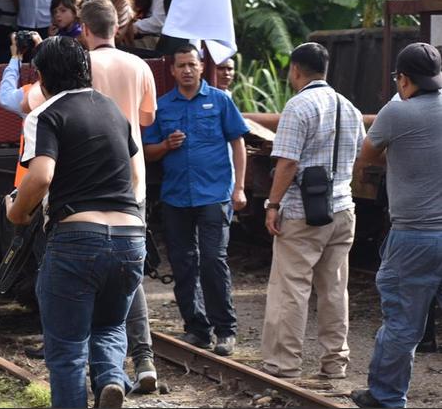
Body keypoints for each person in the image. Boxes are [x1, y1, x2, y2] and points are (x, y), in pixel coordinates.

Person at [6, 36, 146, 409]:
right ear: (85, 69)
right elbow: (135, 176)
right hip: (130, 236)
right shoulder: (113, 110)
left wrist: (17, 212)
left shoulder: (45, 115)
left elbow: (41, 177)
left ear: (42, 77)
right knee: (110, 326)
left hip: (77, 237)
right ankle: (111, 379)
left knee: (67, 349)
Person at [259, 43, 365, 380]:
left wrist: (273, 204)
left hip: (301, 212)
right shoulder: (349, 107)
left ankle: (284, 364)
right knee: (334, 288)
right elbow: (361, 154)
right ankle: (335, 363)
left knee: (291, 287)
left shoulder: (298, 106)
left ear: (295, 70)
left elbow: (288, 163)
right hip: (342, 209)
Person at [350, 43, 442, 409]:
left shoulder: (396, 112)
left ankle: (387, 397)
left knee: (403, 324)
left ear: (403, 79)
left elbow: (367, 155)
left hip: (413, 237)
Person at [143, 44, 249, 355]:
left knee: (213, 260)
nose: (187, 70)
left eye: (192, 64)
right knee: (183, 262)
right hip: (176, 196)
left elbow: (238, 143)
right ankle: (196, 328)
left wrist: (239, 188)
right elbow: (148, 151)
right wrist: (166, 145)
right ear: (173, 71)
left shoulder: (220, 100)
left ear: (201, 67)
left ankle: (225, 330)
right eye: (181, 66)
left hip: (214, 194)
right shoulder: (162, 106)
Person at [79, 0, 160, 392]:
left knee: (86, 270)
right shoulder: (140, 66)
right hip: (133, 178)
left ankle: (100, 369)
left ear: (85, 29)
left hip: (89, 179)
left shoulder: (82, 66)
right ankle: (144, 361)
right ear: (117, 26)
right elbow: (147, 118)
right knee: (131, 272)